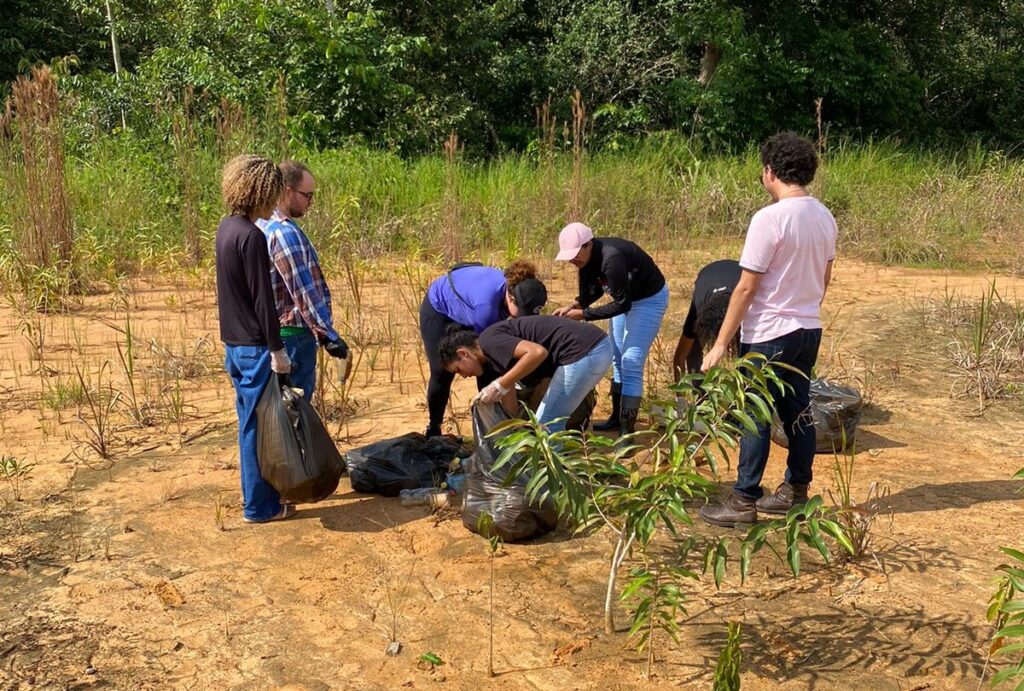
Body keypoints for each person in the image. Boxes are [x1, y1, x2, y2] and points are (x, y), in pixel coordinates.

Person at [698, 132, 837, 528]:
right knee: (797, 411)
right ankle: (796, 491)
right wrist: (805, 309)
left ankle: (744, 500)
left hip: (770, 333)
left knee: (754, 414)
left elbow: (746, 286)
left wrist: (721, 343)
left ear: (769, 172)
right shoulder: (824, 216)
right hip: (808, 329)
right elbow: (824, 276)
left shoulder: (769, 218)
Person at [215, 154, 295, 524]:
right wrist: (277, 349)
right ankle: (259, 507)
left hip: (233, 343)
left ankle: (259, 499)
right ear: (261, 191)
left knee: (248, 423)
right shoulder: (252, 236)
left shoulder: (226, 228)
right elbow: (264, 300)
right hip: (254, 347)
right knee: (257, 429)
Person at [552, 223, 669, 437]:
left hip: (648, 300)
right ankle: (616, 419)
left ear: (588, 245)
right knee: (617, 358)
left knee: (631, 361)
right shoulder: (586, 261)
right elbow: (592, 293)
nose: (572, 261)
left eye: (575, 254)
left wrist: (585, 315)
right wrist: (574, 306)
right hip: (625, 298)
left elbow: (623, 304)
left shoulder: (611, 258)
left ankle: (627, 434)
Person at [257, 160, 349, 402]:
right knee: (296, 409)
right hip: (293, 335)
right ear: (287, 191)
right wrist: (328, 334)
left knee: (281, 407)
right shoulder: (283, 233)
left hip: (282, 334)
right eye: (307, 195)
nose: (311, 202)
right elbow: (302, 290)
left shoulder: (263, 224)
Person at [420, 261, 546, 437]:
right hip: (440, 308)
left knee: (492, 369)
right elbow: (487, 354)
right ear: (510, 297)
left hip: (471, 304)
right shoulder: (487, 308)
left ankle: (498, 427)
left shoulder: (524, 290)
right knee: (443, 371)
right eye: (521, 312)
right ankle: (434, 429)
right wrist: (495, 389)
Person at [438, 314, 613, 435]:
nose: (463, 376)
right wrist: (508, 432)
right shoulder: (492, 361)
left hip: (586, 351)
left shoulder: (489, 342)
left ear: (463, 353)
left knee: (546, 425)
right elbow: (510, 404)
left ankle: (553, 483)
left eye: (458, 370)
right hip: (592, 349)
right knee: (547, 424)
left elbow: (537, 352)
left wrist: (500, 384)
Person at [672, 259, 742, 380]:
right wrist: (680, 397)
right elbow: (680, 355)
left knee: (747, 343)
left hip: (741, 272)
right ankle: (700, 391)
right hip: (707, 276)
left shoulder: (747, 302)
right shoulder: (698, 310)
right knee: (693, 348)